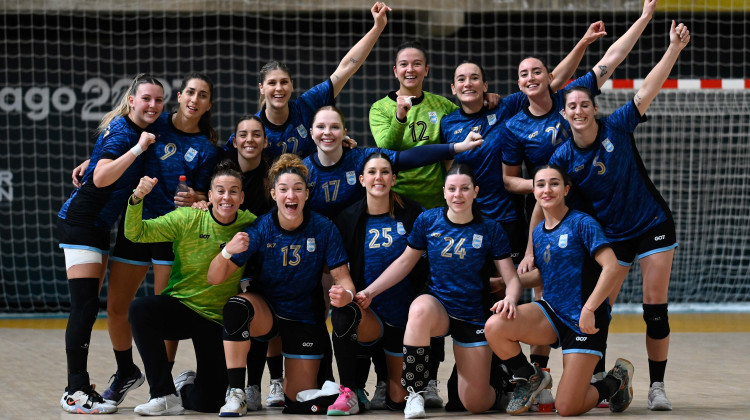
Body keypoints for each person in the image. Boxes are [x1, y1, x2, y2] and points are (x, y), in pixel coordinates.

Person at [501, 0, 657, 384]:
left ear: (549, 76)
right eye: (524, 74)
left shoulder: (574, 96)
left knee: (599, 296)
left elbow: (614, 56)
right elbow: (508, 181)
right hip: (550, 216)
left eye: (538, 71)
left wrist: (642, 20)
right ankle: (538, 377)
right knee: (545, 293)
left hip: (593, 215)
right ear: (519, 84)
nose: (532, 78)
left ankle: (596, 374)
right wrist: (544, 188)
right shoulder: (515, 125)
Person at [548, 21, 691, 412]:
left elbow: (648, 87)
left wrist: (673, 49)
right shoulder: (562, 157)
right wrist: (533, 246)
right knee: (599, 307)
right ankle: (601, 379)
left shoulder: (618, 125)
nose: (578, 110)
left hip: (651, 224)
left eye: (584, 104)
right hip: (612, 234)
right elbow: (547, 198)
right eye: (571, 106)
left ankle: (657, 387)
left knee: (653, 305)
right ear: (564, 114)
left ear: (594, 108)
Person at [356, 164, 523, 419]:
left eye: (465, 189)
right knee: (419, 309)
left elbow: (511, 279)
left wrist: (510, 298)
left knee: (475, 404)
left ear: (475, 192)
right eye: (452, 189)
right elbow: (404, 262)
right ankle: (415, 393)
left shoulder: (490, 228)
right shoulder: (428, 220)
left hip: (473, 313)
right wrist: (370, 291)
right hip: (439, 305)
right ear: (444, 192)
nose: (458, 195)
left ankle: (500, 381)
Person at [205, 154, 358, 417]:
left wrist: (346, 294)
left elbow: (343, 278)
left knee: (298, 403)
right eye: (284, 189)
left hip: (304, 319)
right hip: (268, 313)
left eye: (298, 189)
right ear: (274, 194)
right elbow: (214, 277)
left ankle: (343, 393)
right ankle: (236, 393)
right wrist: (228, 252)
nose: (291, 195)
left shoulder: (323, 228)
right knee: (236, 307)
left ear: (306, 195)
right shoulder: (262, 227)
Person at [101, 73, 219, 407]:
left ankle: (162, 386)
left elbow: (210, 194)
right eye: (190, 93)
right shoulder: (152, 127)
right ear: (180, 96)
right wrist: (92, 162)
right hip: (137, 224)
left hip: (174, 235)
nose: (195, 100)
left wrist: (198, 195)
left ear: (208, 104)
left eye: (203, 95)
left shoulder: (208, 149)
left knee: (161, 312)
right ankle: (125, 371)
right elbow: (119, 151)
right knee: (116, 307)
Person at [484, 165, 633, 416]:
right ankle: (529, 376)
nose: (547, 189)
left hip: (584, 320)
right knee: (494, 326)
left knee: (567, 407)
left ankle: (616, 380)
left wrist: (590, 308)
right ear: (533, 191)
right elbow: (546, 272)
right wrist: (504, 283)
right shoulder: (539, 233)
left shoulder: (582, 223)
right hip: (551, 313)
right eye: (540, 184)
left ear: (566, 189)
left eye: (554, 183)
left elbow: (612, 266)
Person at [57, 73, 163, 414]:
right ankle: (74, 390)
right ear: (131, 99)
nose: (152, 105)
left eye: (158, 100)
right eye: (146, 98)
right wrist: (137, 148)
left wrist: (94, 159)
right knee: (85, 307)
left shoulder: (129, 131)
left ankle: (122, 372)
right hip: (82, 224)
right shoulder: (123, 132)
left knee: (91, 307)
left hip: (99, 228)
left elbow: (101, 165)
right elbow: (102, 178)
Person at [125, 161, 257, 415]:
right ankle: (163, 394)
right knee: (141, 309)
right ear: (209, 196)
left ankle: (185, 387)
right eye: (220, 191)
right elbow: (137, 233)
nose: (226, 197)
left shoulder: (250, 224)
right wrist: (136, 198)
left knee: (209, 404)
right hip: (182, 307)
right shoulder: (187, 218)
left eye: (233, 191)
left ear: (242, 197)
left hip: (218, 319)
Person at [330, 152, 428, 413]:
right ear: (361, 179)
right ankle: (351, 389)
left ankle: (391, 381)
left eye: (385, 172)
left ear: (394, 179)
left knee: (398, 403)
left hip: (404, 317)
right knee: (343, 312)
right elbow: (338, 269)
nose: (378, 177)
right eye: (372, 172)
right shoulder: (347, 218)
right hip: (368, 311)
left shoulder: (413, 213)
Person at [227, 2, 390, 159]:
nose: (279, 88)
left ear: (292, 85)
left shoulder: (307, 105)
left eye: (284, 82)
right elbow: (226, 160)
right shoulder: (252, 128)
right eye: (272, 83)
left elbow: (346, 67)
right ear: (261, 88)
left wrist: (377, 27)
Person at [304, 105, 483, 219]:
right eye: (321, 127)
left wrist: (458, 147)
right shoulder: (303, 170)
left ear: (344, 132)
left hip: (354, 241)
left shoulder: (360, 158)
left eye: (334, 127)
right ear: (311, 132)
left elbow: (410, 157)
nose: (327, 132)